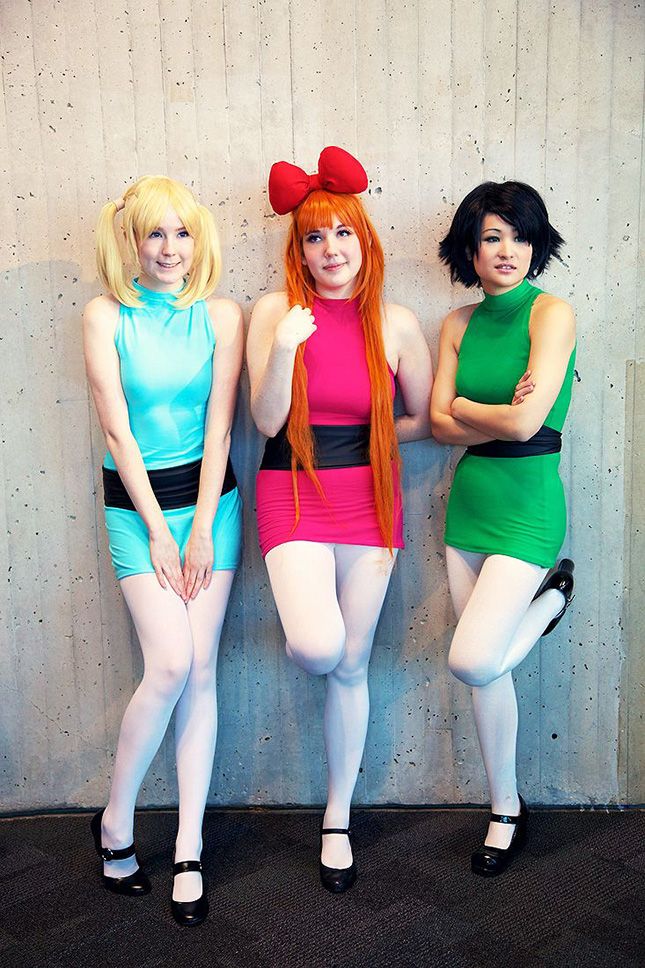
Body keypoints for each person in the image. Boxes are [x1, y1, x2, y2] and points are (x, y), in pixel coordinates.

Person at [247, 146, 433, 892]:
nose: (329, 250)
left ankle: (336, 817)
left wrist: (377, 436)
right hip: (289, 491)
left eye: (341, 234)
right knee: (320, 647)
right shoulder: (273, 314)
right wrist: (283, 351)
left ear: (365, 239)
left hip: (370, 498)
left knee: (352, 666)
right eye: (313, 237)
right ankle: (333, 811)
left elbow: (422, 416)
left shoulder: (395, 322)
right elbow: (263, 423)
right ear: (298, 250)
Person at [83, 175, 243, 924]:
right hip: (136, 510)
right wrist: (156, 530)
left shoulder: (221, 314)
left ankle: (187, 846)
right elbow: (117, 432)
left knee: (201, 671)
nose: (169, 249)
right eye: (154, 233)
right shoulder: (103, 316)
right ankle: (115, 824)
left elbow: (219, 429)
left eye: (181, 233)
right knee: (171, 664)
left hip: (212, 506)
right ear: (131, 240)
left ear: (198, 239)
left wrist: (204, 526)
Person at [431, 180, 576, 876]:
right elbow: (434, 423)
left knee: (472, 657)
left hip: (527, 504)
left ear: (535, 243)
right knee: (485, 677)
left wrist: (463, 403)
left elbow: (526, 424)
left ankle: (550, 600)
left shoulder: (551, 315)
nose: (507, 250)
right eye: (491, 237)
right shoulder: (455, 322)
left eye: (518, 236)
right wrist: (464, 407)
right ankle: (504, 807)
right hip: (470, 502)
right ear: (470, 247)